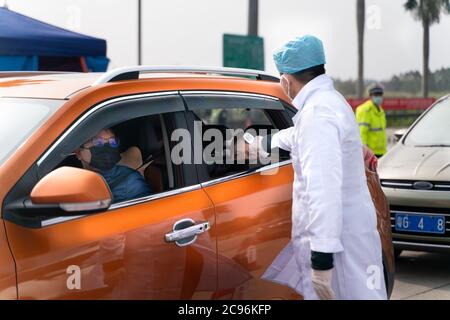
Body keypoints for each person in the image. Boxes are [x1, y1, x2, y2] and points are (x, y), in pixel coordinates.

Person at [247, 35, 386, 300]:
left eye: (280, 78)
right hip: (351, 236)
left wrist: (322, 259)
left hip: (339, 251)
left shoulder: (317, 115)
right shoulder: (329, 103)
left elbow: (323, 190)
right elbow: (296, 137)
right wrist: (261, 143)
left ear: (286, 80)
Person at [75, 128, 152, 203]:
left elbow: (147, 210)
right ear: (78, 152)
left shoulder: (130, 180)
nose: (108, 147)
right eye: (98, 142)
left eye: (113, 142)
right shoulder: (73, 177)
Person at [355, 83, 387, 157]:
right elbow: (362, 132)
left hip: (381, 152)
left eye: (380, 94)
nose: (378, 96)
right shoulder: (365, 110)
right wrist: (364, 151)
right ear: (370, 96)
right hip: (370, 152)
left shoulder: (380, 111)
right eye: (376, 94)